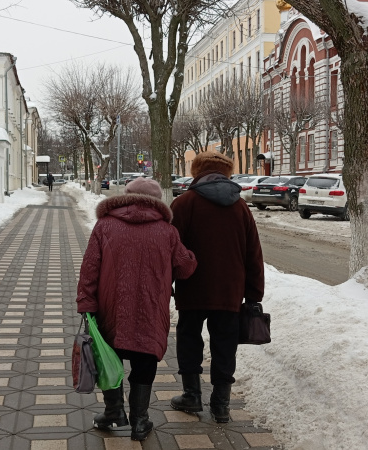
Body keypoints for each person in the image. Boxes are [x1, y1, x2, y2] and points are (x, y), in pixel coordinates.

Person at [77, 177, 197, 441]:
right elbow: (185, 267)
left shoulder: (105, 225)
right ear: (157, 201)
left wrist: (86, 303)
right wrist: (191, 255)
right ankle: (140, 421)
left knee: (110, 357)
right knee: (145, 358)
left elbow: (90, 267)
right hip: (151, 308)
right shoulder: (167, 231)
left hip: (110, 307)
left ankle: (114, 412)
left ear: (127, 196)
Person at [169, 151, 264, 423]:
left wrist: (168, 283)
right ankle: (221, 405)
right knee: (225, 344)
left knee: (189, 339)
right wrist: (254, 294)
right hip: (229, 291)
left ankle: (192, 395)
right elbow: (253, 254)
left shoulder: (184, 203)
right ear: (227, 173)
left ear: (198, 171)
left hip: (193, 287)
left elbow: (172, 250)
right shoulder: (240, 207)